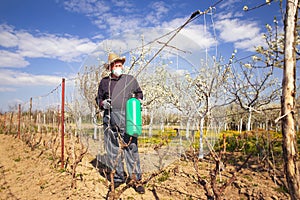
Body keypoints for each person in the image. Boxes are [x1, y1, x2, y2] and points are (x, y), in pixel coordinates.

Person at [96, 52, 145, 194]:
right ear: (110, 67)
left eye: (120, 65)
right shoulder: (104, 82)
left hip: (128, 118)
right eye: (116, 65)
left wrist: (138, 101)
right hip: (110, 118)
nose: (119, 67)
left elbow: (139, 93)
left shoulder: (130, 79)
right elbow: (98, 99)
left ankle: (136, 179)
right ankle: (117, 178)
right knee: (112, 150)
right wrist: (102, 103)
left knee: (131, 148)